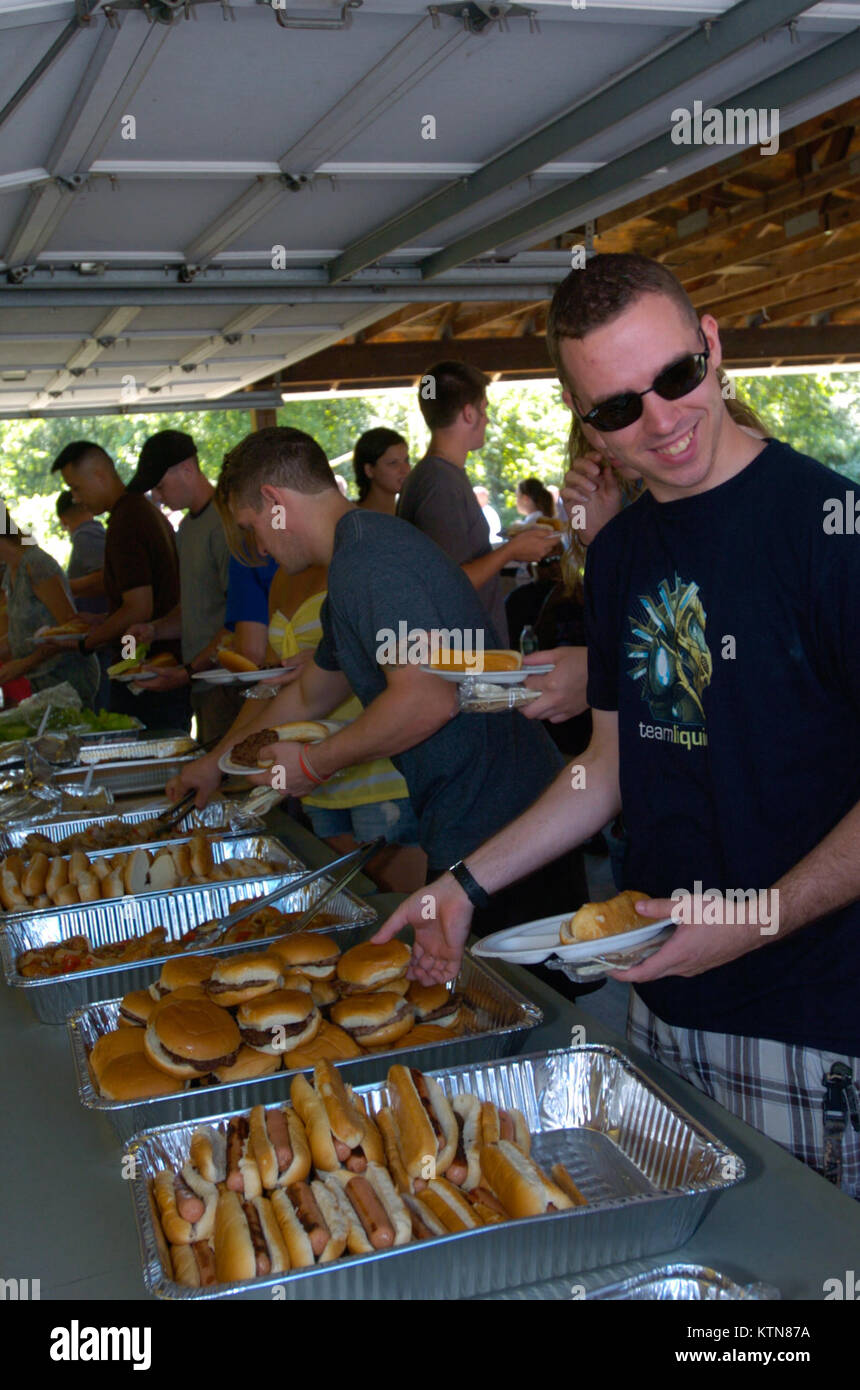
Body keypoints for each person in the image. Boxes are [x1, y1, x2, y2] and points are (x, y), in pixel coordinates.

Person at [375, 251, 860, 1197]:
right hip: (662, 996)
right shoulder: (626, 550)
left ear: (712, 344)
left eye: (678, 378)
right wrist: (465, 885)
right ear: (584, 419)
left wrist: (755, 922)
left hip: (815, 1015)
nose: (663, 421)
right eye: (617, 408)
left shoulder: (829, 528)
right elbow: (610, 765)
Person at [167, 427, 588, 968]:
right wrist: (212, 763)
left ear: (274, 503)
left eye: (254, 530)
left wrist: (314, 766)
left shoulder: (368, 560)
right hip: (480, 817)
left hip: (503, 824)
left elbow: (426, 701)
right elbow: (310, 695)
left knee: (509, 1009)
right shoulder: (355, 559)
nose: (262, 549)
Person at [396, 360, 559, 639]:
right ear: (469, 414)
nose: (487, 419)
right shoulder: (439, 483)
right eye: (484, 409)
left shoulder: (439, 475)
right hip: (461, 660)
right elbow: (449, 583)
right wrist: (511, 551)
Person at [50, 440, 189, 730]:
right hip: (156, 667)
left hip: (145, 672)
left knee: (145, 764)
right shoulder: (141, 510)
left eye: (76, 487)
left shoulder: (127, 519)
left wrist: (86, 642)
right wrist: (101, 620)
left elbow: (139, 609)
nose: (75, 498)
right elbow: (142, 599)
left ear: (99, 475)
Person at [118, 430, 237, 745]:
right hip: (201, 683)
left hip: (229, 683)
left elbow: (238, 619)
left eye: (159, 485)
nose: (158, 497)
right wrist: (154, 629)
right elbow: (194, 608)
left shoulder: (228, 523)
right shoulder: (185, 530)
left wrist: (188, 670)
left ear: (188, 469)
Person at [0, 512, 99, 705]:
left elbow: (72, 628)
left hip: (68, 680)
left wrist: (24, 664)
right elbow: (21, 635)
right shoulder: (12, 570)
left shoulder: (36, 564)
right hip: (42, 684)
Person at [56, 490, 110, 708]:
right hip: (110, 630)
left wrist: (64, 588)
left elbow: (104, 579)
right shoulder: (95, 533)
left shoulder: (85, 535)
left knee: (107, 692)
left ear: (63, 521)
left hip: (108, 635)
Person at [353, 429, 410, 514]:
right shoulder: (350, 518)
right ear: (369, 470)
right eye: (393, 463)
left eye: (406, 460)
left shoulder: (411, 516)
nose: (406, 469)